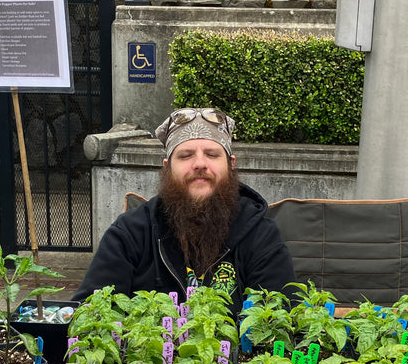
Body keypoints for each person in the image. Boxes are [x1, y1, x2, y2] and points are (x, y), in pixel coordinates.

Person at [74, 108, 296, 309]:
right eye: (185, 155)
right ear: (167, 168)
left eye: (212, 154)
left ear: (230, 165)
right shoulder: (130, 233)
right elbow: (89, 313)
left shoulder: (260, 233)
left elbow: (283, 317)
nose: (200, 164)